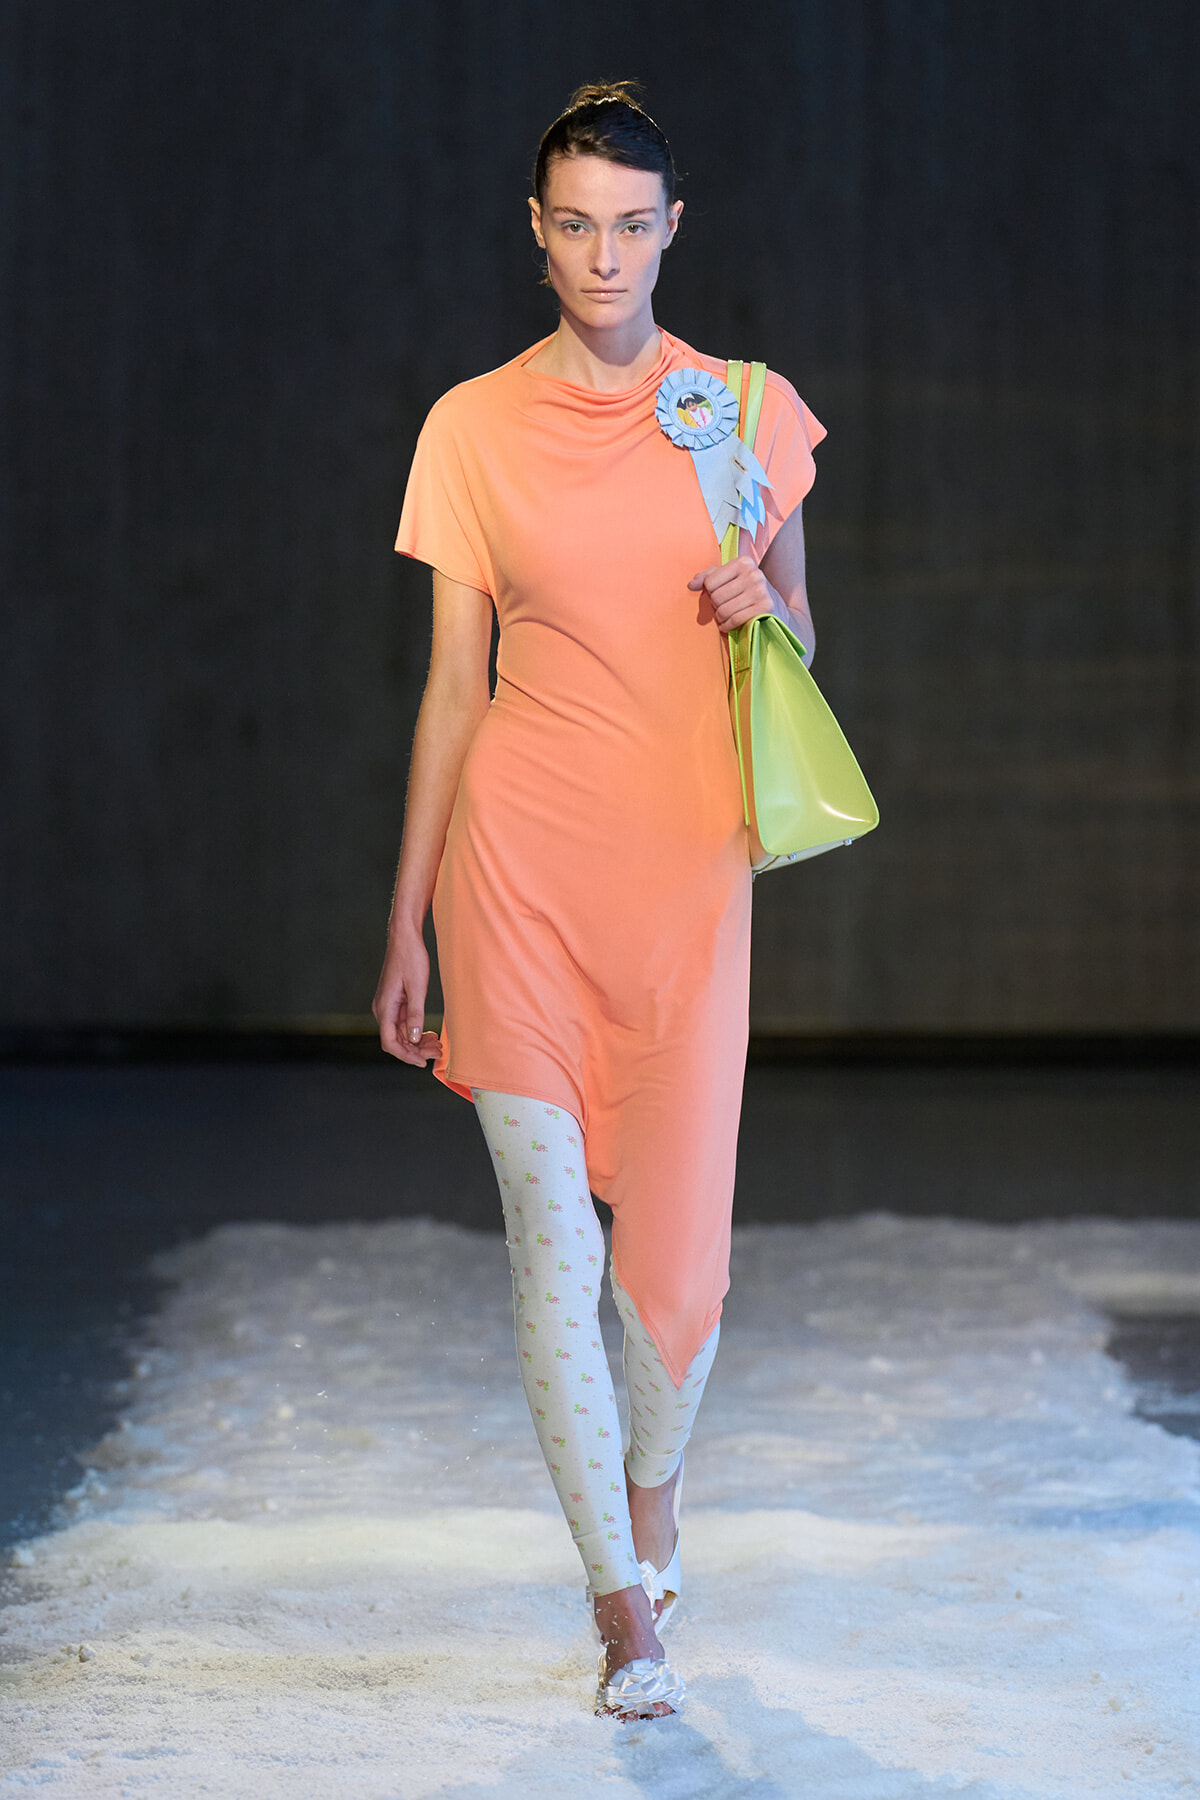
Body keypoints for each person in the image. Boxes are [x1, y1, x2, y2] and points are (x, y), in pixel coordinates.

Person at [373, 80, 824, 1721]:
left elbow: (803, 643)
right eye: (576, 224)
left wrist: (755, 599)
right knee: (551, 1250)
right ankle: (624, 1606)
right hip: (519, 876)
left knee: (680, 1279)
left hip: (687, 884)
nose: (605, 254)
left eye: (633, 225)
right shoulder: (471, 426)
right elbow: (446, 692)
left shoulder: (745, 412)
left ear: (673, 228)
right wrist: (407, 916)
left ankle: (655, 1492)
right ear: (539, 231)